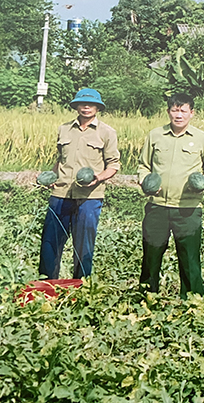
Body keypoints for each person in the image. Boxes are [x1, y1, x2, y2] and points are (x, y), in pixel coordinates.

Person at [138, 93, 204, 299]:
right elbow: (143, 165)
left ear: (192, 113)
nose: (179, 115)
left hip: (188, 208)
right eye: (175, 110)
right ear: (168, 112)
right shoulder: (155, 135)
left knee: (189, 258)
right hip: (157, 207)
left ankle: (193, 300)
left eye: (183, 110)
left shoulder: (201, 138)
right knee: (151, 255)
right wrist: (145, 182)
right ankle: (148, 298)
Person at [39, 88, 120, 279]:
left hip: (89, 197)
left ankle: (81, 286)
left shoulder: (107, 132)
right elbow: (60, 159)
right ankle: (47, 286)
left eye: (91, 104)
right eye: (82, 103)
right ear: (76, 106)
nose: (86, 107)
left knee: (83, 245)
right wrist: (51, 176)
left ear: (97, 108)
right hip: (60, 194)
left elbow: (114, 165)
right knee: (50, 243)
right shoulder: (64, 129)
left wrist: (98, 178)